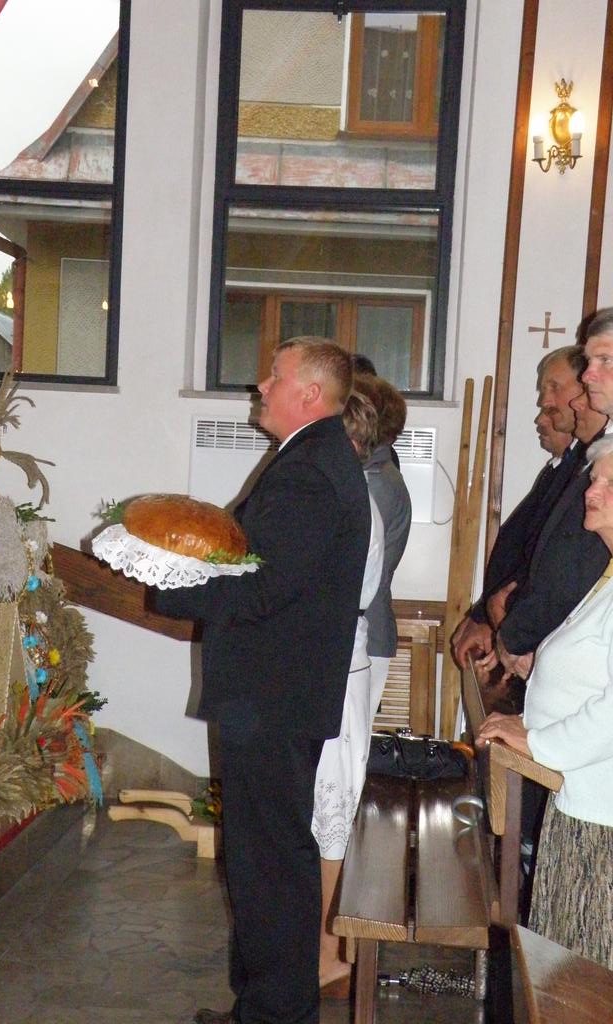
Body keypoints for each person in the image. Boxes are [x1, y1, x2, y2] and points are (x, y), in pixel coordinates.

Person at [153, 338, 372, 1024]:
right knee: (267, 859)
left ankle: (275, 1014)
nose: (261, 386)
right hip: (278, 695)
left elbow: (263, 587)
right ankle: (268, 1005)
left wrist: (168, 585)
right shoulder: (313, 457)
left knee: (268, 864)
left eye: (274, 377)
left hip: (273, 698)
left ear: (309, 393)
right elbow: (254, 561)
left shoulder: (309, 471)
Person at [477, 434, 613, 969]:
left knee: (584, 978)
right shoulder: (606, 577)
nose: (591, 491)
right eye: (594, 479)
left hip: (601, 823)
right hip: (579, 807)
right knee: (562, 972)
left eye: (608, 484)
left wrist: (537, 741)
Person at [454, 347, 603, 669]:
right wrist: (485, 614)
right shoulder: (567, 467)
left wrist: (510, 631)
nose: (543, 403)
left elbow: (565, 566)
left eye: (554, 387)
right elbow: (527, 546)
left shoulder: (593, 470)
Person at [311, 391, 384, 996]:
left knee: (331, 813)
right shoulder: (348, 492)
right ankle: (322, 948)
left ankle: (331, 954)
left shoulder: (352, 498)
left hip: (337, 660)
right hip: (337, 657)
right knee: (323, 810)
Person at [352, 374, 412, 721]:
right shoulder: (373, 474)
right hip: (364, 629)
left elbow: (357, 569)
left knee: (345, 747)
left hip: (366, 633)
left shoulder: (377, 482)